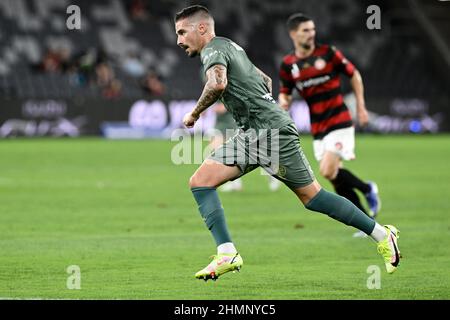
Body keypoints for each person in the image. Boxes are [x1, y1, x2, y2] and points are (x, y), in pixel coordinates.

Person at [174, 5, 400, 281]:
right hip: (254, 133)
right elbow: (264, 79)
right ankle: (227, 253)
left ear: (201, 28)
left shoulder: (212, 51)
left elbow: (218, 84)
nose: (179, 40)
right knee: (201, 181)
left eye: (182, 32)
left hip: (271, 133)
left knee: (313, 197)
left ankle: (382, 234)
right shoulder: (231, 46)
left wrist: (194, 114)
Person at [278, 13, 380, 238]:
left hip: (340, 120)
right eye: (305, 30)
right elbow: (285, 93)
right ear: (293, 34)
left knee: (326, 170)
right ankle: (367, 215)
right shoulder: (288, 65)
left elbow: (354, 75)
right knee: (333, 175)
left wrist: (361, 107)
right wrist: (283, 102)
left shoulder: (328, 53)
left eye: (313, 29)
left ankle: (367, 191)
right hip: (318, 127)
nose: (311, 34)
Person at [210, 102, 281, 192]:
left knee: (252, 155)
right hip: (220, 125)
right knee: (219, 154)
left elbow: (223, 108)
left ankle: (272, 175)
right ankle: (235, 183)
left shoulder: (225, 90)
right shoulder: (215, 91)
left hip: (231, 125)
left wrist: (208, 108)